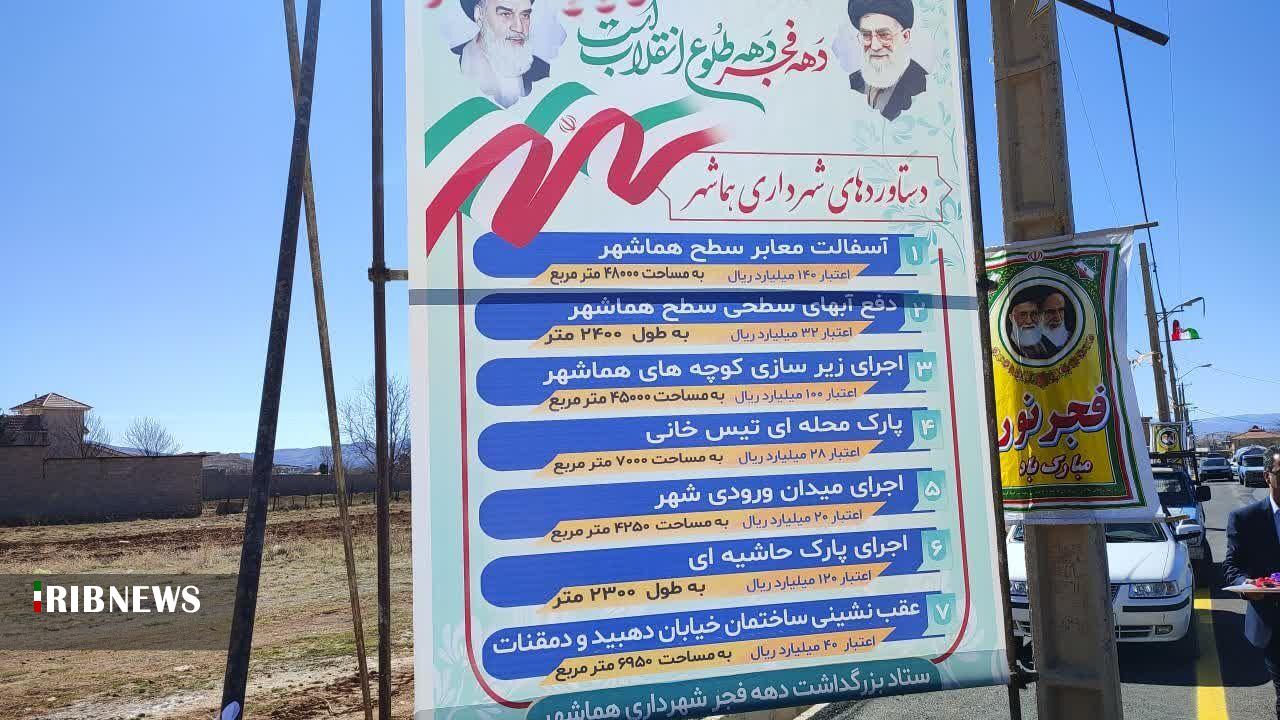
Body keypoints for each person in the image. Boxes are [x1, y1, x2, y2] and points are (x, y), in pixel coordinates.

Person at [1222, 446, 1280, 718]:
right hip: (1273, 622)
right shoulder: (1246, 519)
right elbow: (1231, 568)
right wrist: (1249, 587)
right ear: (1267, 476)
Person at [455, 0, 549, 108]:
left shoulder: (543, 73)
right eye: (506, 14)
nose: (519, 28)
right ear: (479, 15)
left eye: (525, 15)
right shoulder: (449, 68)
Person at [847, 0, 927, 121]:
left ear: (905, 36)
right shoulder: (853, 83)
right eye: (866, 35)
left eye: (884, 35)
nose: (875, 46)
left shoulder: (922, 88)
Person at [1007, 289, 1051, 361]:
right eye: (1023, 315)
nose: (1029, 321)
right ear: (1011, 318)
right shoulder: (1006, 346)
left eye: (1034, 314)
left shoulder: (1047, 343)